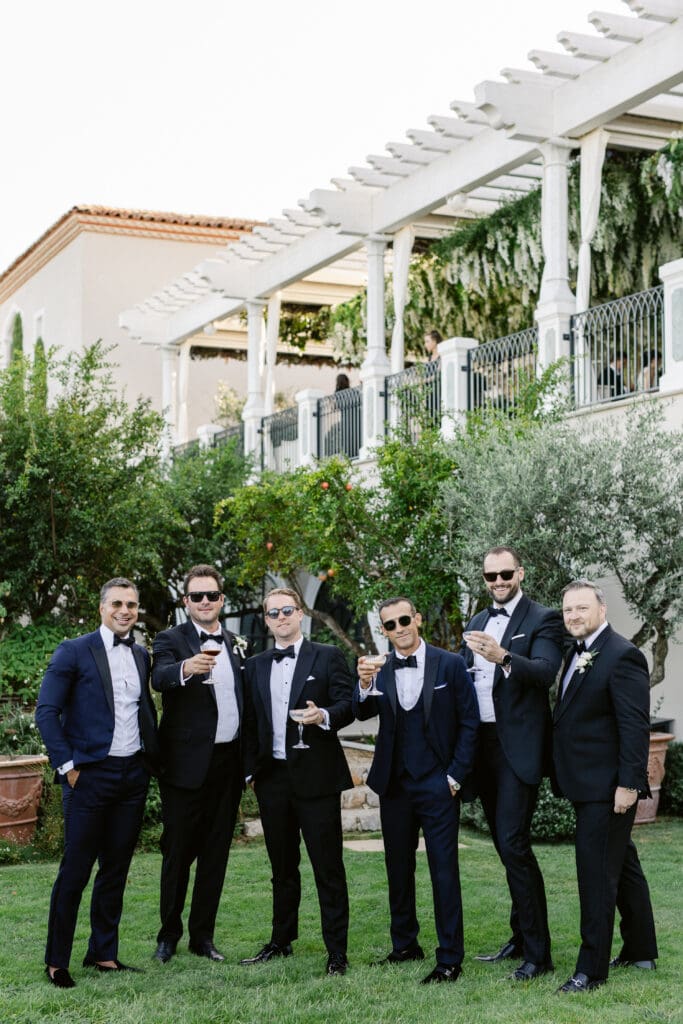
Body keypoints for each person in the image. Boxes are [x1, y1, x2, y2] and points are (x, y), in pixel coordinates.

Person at [35, 578, 158, 988]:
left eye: (133, 605)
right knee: (75, 870)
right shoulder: (74, 650)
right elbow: (46, 711)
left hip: (131, 776)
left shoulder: (141, 655)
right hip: (88, 776)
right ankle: (57, 961)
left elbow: (141, 711)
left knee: (116, 869)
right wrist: (68, 766)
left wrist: (147, 763)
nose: (126, 611)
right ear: (102, 607)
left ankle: (103, 953)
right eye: (118, 604)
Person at [354, 597, 479, 985]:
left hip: (438, 784)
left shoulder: (451, 664)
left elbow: (470, 722)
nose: (399, 628)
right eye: (390, 624)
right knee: (398, 869)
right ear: (384, 630)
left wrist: (454, 777)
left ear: (418, 619)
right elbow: (362, 712)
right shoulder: (380, 668)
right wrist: (362, 684)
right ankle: (405, 944)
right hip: (395, 785)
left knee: (444, 872)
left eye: (404, 620)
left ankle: (449, 958)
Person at [240, 587, 354, 977]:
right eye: (273, 613)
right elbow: (249, 722)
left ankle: (336, 951)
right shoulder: (254, 665)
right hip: (272, 779)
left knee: (328, 867)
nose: (281, 617)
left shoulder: (328, 656)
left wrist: (322, 714)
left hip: (317, 778)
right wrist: (252, 772)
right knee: (282, 867)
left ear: (300, 613)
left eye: (287, 610)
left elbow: (348, 706)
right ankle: (281, 940)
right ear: (266, 620)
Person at [462, 546, 563, 981]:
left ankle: (539, 955)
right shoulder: (477, 621)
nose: (498, 581)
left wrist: (501, 656)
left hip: (516, 749)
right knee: (506, 847)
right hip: (480, 746)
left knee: (514, 844)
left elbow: (545, 673)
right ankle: (520, 936)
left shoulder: (543, 618)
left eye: (506, 573)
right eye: (491, 575)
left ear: (520, 573)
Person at [553, 580, 658, 994]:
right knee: (623, 866)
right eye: (567, 611)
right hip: (586, 784)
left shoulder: (622, 655)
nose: (573, 616)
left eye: (581, 608)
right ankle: (641, 949)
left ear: (602, 609)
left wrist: (629, 785)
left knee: (595, 874)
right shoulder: (574, 652)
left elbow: (635, 726)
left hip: (608, 788)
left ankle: (590, 970)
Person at [151, 564, 248, 964]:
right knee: (177, 854)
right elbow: (159, 677)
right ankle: (168, 935)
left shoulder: (236, 642)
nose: (205, 602)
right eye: (197, 596)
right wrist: (186, 669)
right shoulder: (170, 639)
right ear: (186, 601)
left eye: (211, 595)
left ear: (221, 600)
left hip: (228, 765)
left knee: (215, 855)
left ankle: (202, 937)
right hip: (186, 767)